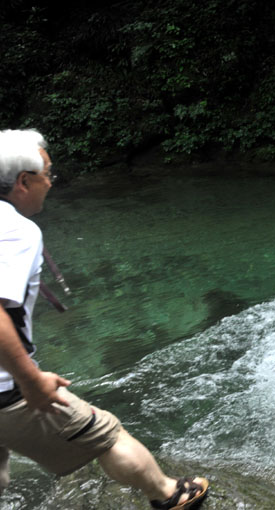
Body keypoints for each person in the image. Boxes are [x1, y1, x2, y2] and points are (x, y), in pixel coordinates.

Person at [0, 129, 209, 510]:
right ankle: (169, 494)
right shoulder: (13, 231)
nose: (51, 183)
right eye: (48, 174)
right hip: (6, 391)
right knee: (107, 435)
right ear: (23, 181)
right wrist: (30, 381)